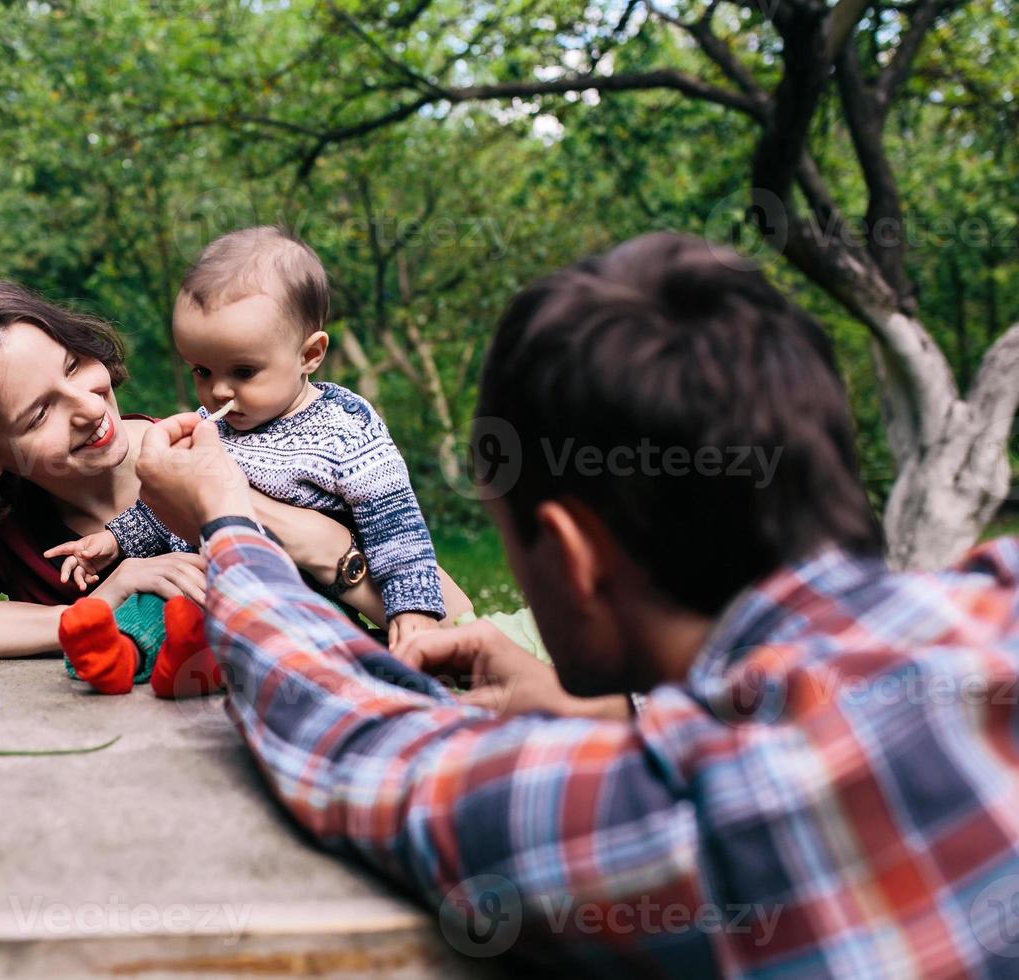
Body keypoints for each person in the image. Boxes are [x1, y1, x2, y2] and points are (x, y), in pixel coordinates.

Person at [135, 232, 1019, 973]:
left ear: (570, 556)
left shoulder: (677, 819)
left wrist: (227, 519)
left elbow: (356, 742)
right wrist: (612, 705)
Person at [0, 274, 455, 659]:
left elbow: (454, 614)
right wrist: (90, 612)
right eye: (37, 414)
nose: (89, 406)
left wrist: (248, 512)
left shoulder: (240, 442)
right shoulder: (12, 531)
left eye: (72, 367)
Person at [47, 226, 447, 654]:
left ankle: (191, 655)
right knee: (150, 606)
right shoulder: (208, 426)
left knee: (282, 630)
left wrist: (413, 610)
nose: (219, 391)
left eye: (243, 372)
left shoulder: (344, 427)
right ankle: (118, 655)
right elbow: (165, 508)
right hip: (205, 578)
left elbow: (396, 526)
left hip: (295, 589)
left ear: (309, 355)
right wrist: (114, 540)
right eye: (202, 371)